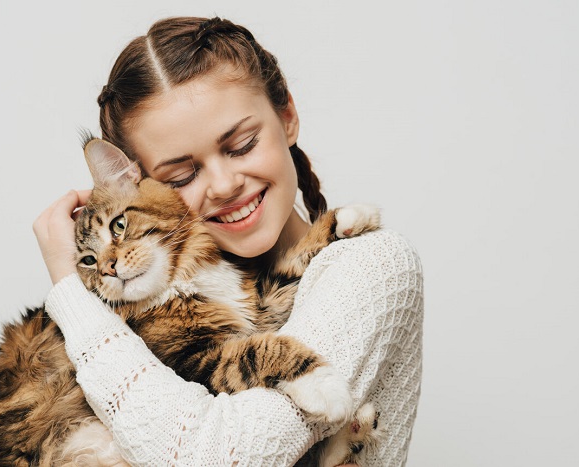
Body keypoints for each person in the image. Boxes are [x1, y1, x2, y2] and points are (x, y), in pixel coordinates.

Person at [34, 16, 423, 467]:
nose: (223, 185)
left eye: (241, 145)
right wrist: (69, 280)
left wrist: (69, 293)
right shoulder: (163, 296)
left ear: (287, 118)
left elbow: (209, 456)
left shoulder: (372, 264)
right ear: (144, 186)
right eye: (182, 175)